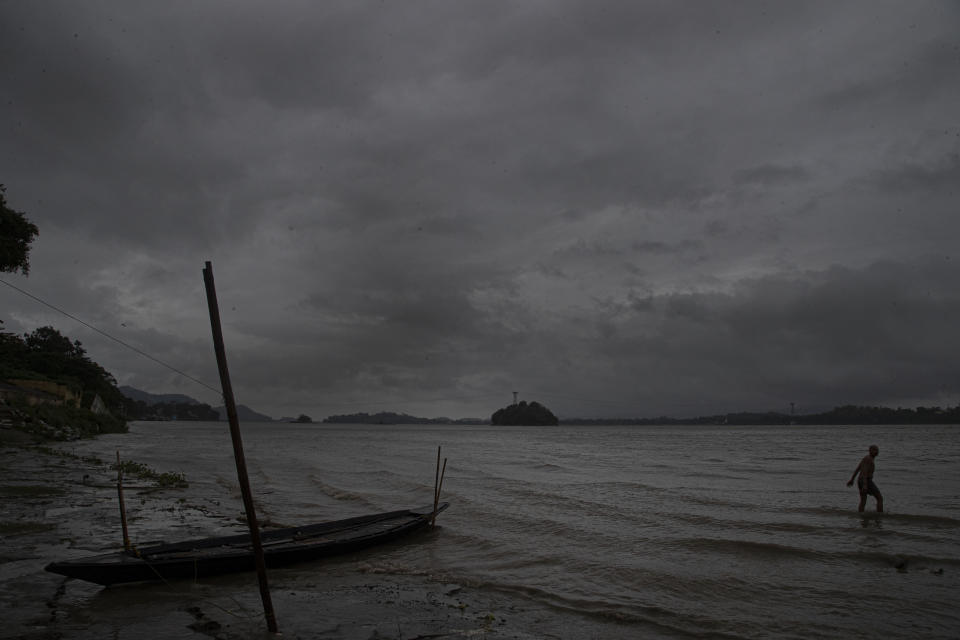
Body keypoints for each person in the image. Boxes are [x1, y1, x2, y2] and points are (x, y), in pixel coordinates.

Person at [847, 444, 883, 512]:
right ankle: (880, 515)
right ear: (870, 451)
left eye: (877, 450)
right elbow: (864, 472)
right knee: (880, 498)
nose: (876, 451)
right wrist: (865, 485)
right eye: (874, 450)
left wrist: (852, 479)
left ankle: (861, 514)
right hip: (866, 481)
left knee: (863, 500)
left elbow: (858, 468)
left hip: (861, 480)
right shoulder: (868, 459)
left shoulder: (866, 458)